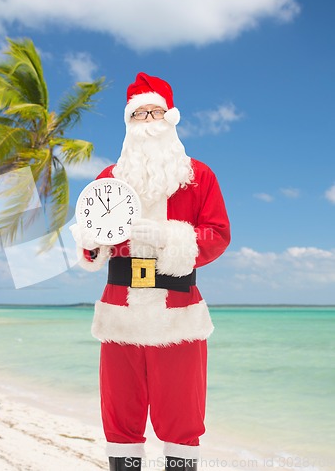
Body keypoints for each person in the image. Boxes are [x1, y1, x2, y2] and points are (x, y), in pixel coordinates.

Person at [70, 72, 231, 471]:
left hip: (178, 314)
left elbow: (218, 235)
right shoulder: (108, 179)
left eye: (155, 112)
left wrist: (167, 236)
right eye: (139, 114)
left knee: (182, 421)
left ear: (170, 119)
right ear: (128, 123)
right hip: (120, 313)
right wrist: (89, 242)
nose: (148, 121)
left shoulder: (200, 176)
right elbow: (94, 245)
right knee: (119, 419)